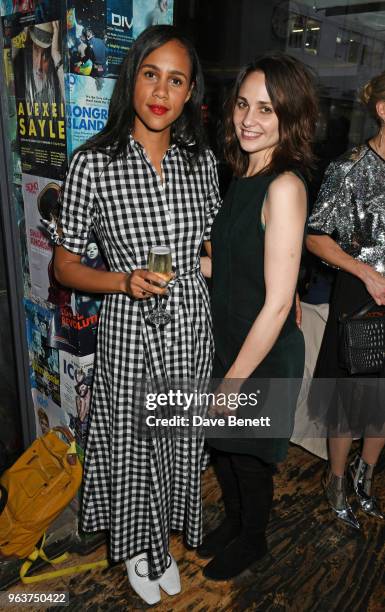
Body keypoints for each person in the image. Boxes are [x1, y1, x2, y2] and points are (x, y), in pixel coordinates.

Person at [54, 25, 221, 605]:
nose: (161, 90)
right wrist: (124, 280)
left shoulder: (201, 163)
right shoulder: (91, 164)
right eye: (151, 74)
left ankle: (162, 543)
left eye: (176, 80)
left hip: (190, 330)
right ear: (132, 80)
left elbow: (209, 248)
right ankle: (139, 549)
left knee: (177, 441)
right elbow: (65, 268)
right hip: (129, 330)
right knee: (132, 446)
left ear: (190, 92)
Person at [199, 53, 318, 580]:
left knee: (248, 458)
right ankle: (235, 522)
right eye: (244, 104)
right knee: (225, 450)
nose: (249, 119)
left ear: (289, 118)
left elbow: (276, 303)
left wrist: (232, 382)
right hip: (233, 339)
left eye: (267, 109)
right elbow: (232, 264)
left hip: (261, 353)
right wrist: (184, 266)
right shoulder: (244, 175)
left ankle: (253, 538)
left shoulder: (284, 187)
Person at [306, 72, 385, 529]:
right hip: (359, 294)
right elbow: (315, 237)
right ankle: (336, 482)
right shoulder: (349, 168)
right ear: (382, 109)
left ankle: (365, 478)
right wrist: (364, 271)